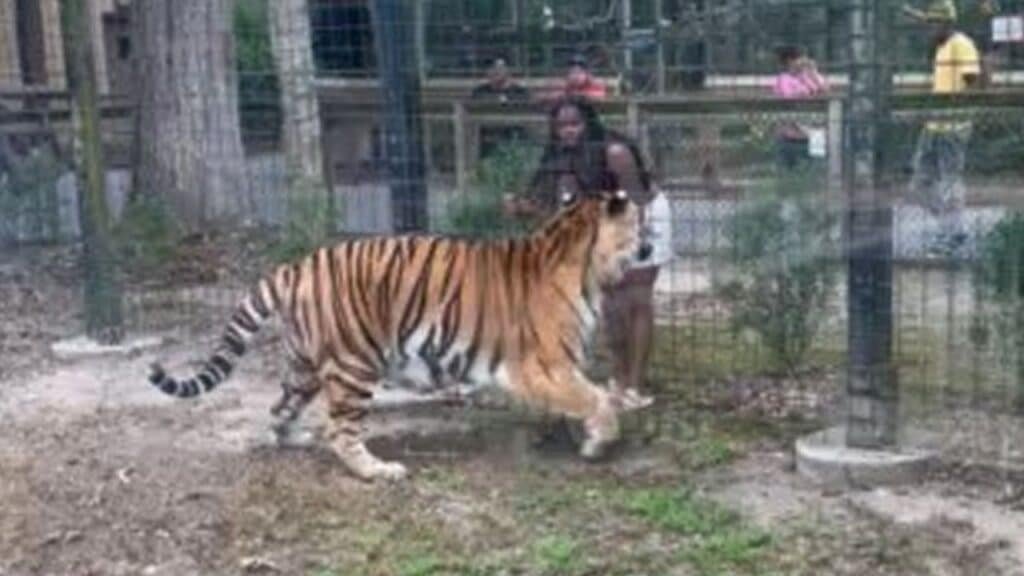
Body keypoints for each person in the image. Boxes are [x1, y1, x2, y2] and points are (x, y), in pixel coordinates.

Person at [506, 96, 673, 402]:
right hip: (602, 220)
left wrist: (632, 242)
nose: (568, 131)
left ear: (588, 123)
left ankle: (635, 385)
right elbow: (559, 211)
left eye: (574, 123)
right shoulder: (560, 157)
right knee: (611, 303)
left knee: (635, 298)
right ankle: (620, 377)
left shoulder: (615, 152)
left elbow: (636, 200)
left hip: (642, 215)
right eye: (561, 126)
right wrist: (524, 207)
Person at [903, 0, 982, 256]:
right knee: (919, 183)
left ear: (947, 23)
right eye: (930, 23)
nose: (930, 28)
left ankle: (952, 234)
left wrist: (962, 112)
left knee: (950, 179)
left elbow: (973, 82)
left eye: (934, 23)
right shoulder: (943, 47)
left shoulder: (961, 44)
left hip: (953, 124)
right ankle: (952, 227)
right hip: (934, 124)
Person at [771, 45, 829, 171]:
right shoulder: (783, 79)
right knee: (815, 130)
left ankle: (818, 170)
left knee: (819, 132)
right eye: (800, 59)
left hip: (811, 123)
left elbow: (825, 91)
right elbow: (789, 99)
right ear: (790, 61)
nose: (804, 62)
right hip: (793, 124)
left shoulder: (806, 76)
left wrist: (813, 73)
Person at [471, 58, 531, 159]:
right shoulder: (480, 92)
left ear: (507, 70)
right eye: (492, 68)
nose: (495, 72)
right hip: (488, 142)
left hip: (513, 141)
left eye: (499, 68)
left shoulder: (520, 92)